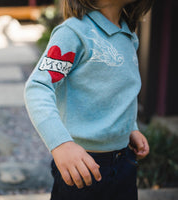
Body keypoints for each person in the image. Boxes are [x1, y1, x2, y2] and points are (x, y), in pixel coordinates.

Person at [24, 0, 154, 199]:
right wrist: (61, 144)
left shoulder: (129, 35)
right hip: (81, 165)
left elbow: (118, 90)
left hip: (124, 163)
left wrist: (131, 127)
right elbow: (38, 87)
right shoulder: (73, 33)